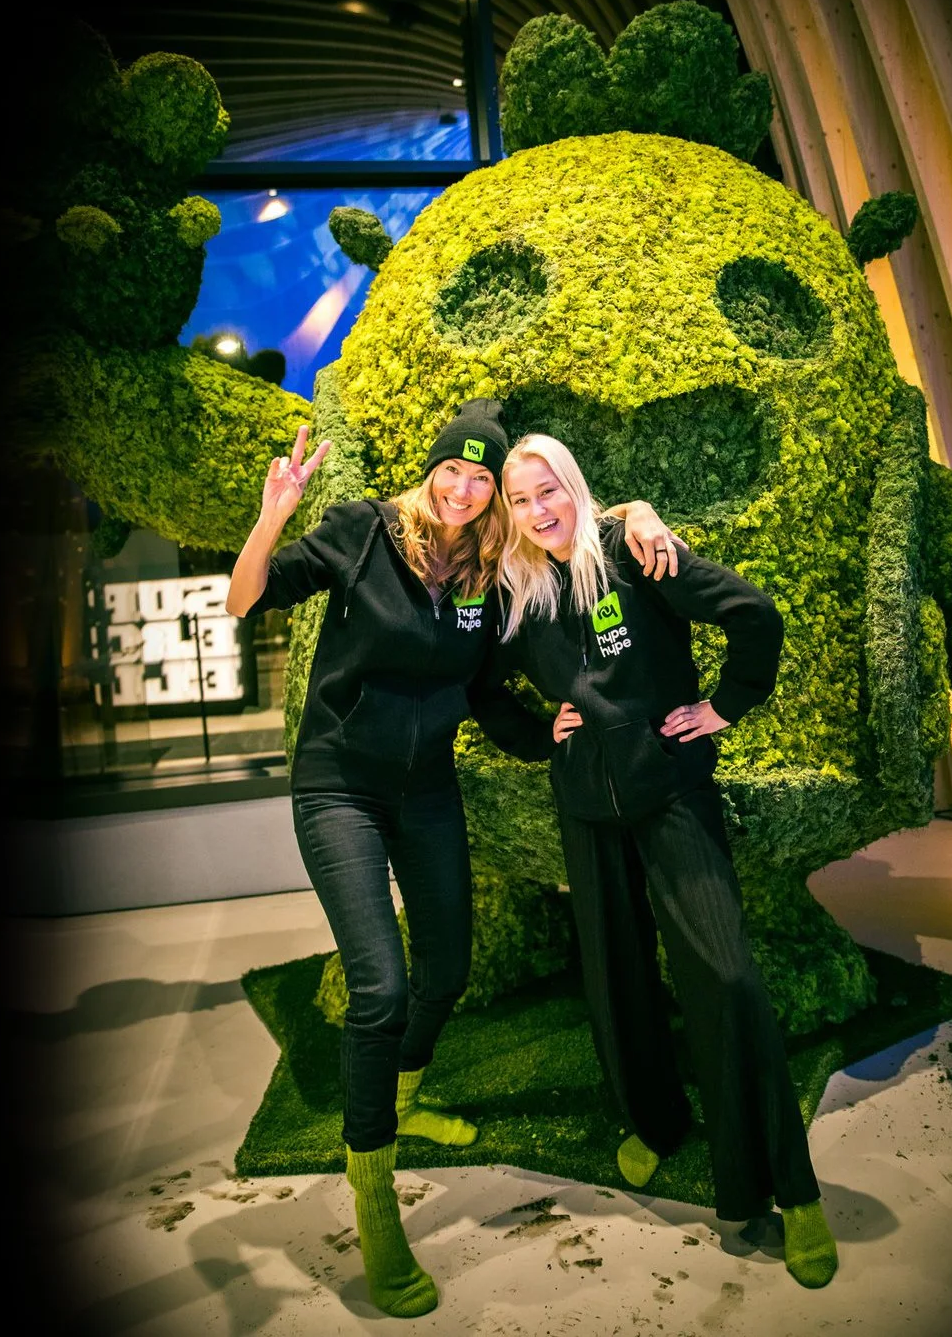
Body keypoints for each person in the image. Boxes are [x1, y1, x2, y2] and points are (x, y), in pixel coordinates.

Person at [224, 401, 676, 1318]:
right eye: (453, 471)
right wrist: (273, 517)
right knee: (380, 989)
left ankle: (406, 1095)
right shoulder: (361, 533)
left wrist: (637, 515)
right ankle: (374, 1198)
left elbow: (490, 682)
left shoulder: (489, 569)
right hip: (340, 786)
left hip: (426, 787)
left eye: (482, 478)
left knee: (448, 968)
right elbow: (245, 600)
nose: (465, 490)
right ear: (430, 470)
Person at [488, 431, 840, 1290]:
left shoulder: (631, 550)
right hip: (586, 806)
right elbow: (474, 682)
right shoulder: (514, 590)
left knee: (727, 975)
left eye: (547, 490)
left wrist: (726, 706)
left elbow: (753, 614)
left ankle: (788, 1189)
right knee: (615, 978)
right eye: (520, 500)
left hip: (671, 789)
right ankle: (655, 1122)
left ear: (573, 485)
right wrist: (537, 735)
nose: (538, 511)